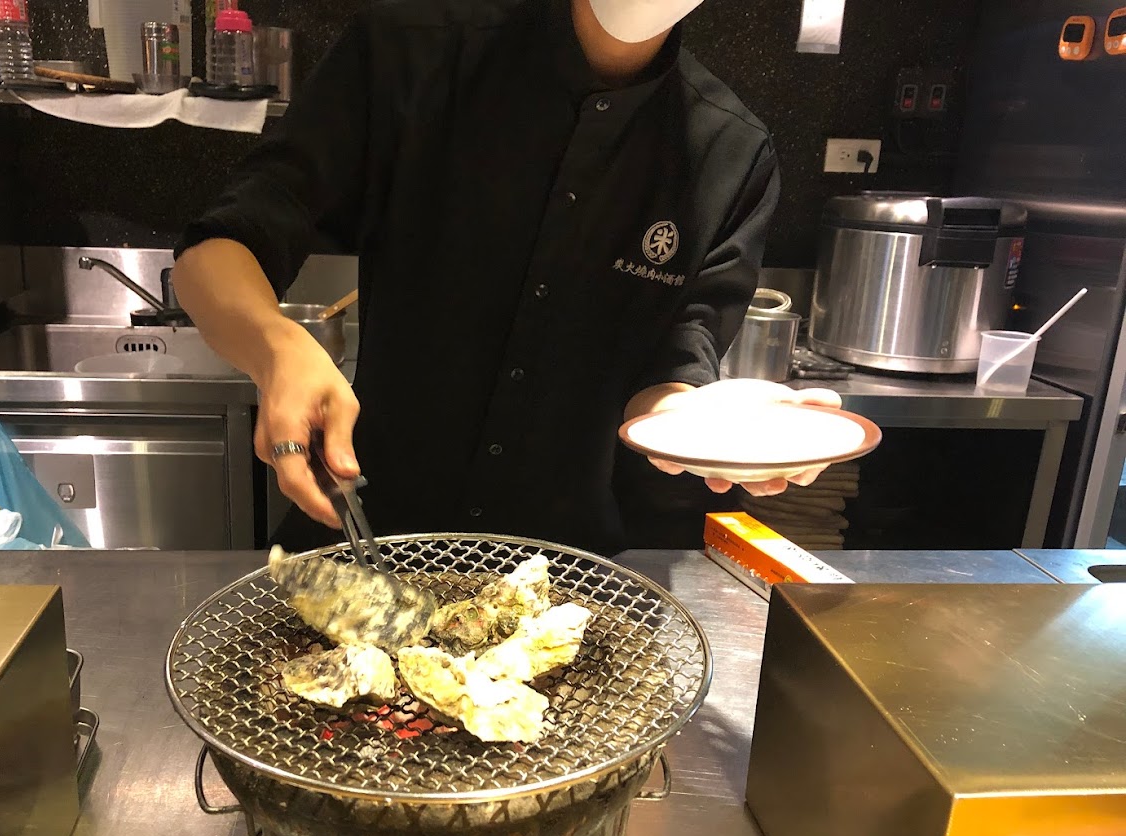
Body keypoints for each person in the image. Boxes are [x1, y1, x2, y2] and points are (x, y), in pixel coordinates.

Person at [172, 0, 839, 554]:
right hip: (370, 545)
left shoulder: (732, 153)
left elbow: (673, 369)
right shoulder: (411, 52)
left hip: (566, 588)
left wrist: (706, 425)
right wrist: (276, 348)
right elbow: (221, 246)